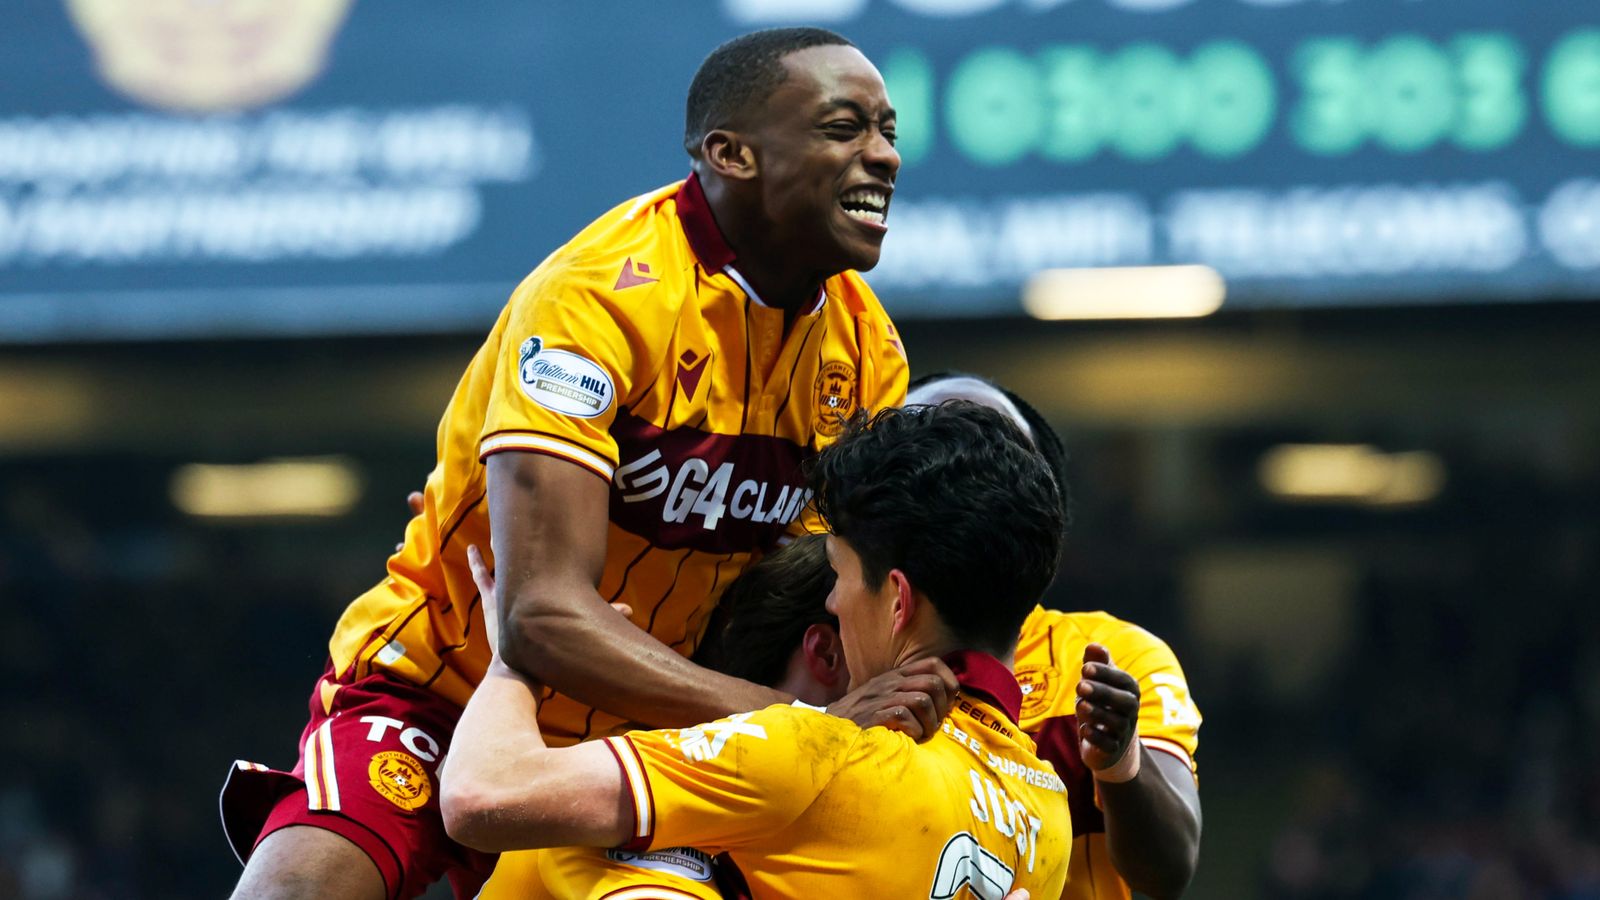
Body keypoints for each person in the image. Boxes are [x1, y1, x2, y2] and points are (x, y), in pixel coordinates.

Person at [220, 27, 945, 900]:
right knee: (297, 890)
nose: (884, 156)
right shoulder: (597, 298)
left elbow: (805, 599)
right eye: (844, 128)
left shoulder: (867, 353)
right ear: (732, 154)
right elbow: (538, 618)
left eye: (888, 132)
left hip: (650, 739)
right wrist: (798, 724)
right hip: (449, 686)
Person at [441, 403, 1076, 899]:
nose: (833, 602)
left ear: (898, 602)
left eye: (838, 574)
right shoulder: (1049, 813)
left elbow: (482, 795)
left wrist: (513, 659)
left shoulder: (819, 754)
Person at [907, 373, 1204, 900]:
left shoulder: (1114, 656)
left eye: (993, 463)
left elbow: (1168, 871)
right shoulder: (834, 648)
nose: (957, 491)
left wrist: (1120, 761)